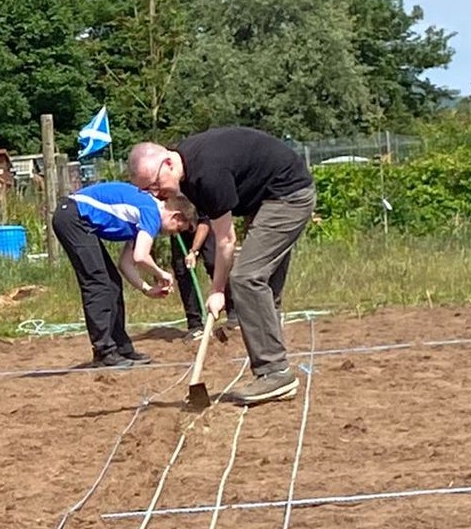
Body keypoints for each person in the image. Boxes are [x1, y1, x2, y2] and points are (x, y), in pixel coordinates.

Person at [129, 127, 315, 403]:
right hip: (266, 201)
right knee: (262, 285)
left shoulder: (206, 174)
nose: (156, 194)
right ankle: (276, 370)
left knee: (246, 278)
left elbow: (226, 240)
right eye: (148, 191)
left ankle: (274, 372)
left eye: (155, 185)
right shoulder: (188, 173)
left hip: (289, 196)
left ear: (168, 163)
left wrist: (217, 291)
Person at [51, 180, 186, 368]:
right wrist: (161, 273)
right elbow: (140, 256)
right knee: (98, 283)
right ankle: (104, 351)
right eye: (178, 229)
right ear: (176, 216)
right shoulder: (151, 212)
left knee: (112, 282)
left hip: (76, 218)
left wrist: (146, 289)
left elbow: (125, 263)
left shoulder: (146, 214)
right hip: (72, 216)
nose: (173, 234)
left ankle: (121, 347)